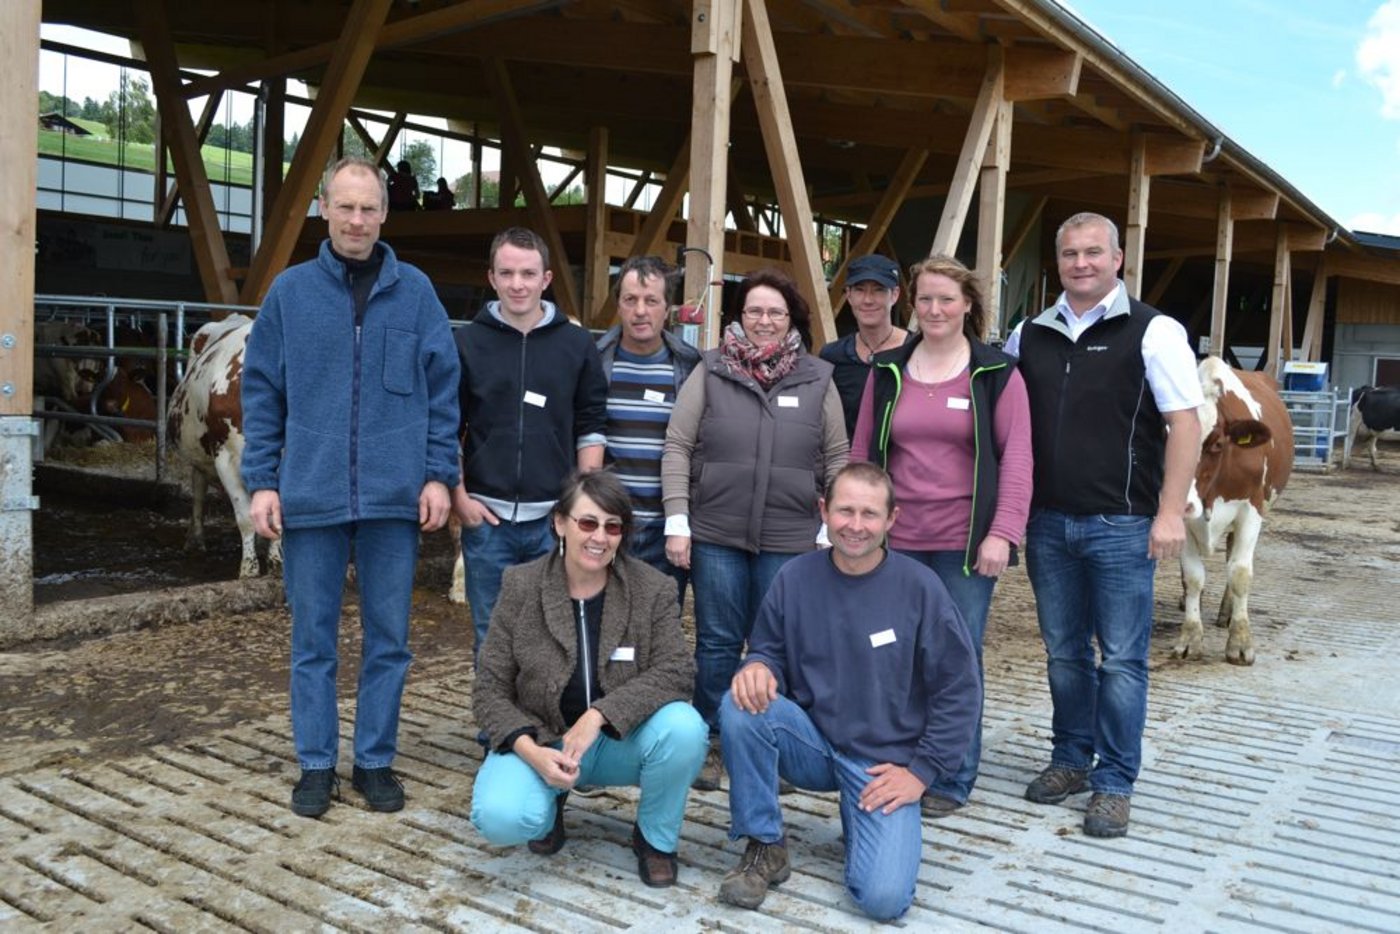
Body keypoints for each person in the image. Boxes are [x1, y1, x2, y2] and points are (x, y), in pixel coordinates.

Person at [241, 156, 461, 818]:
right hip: (310, 494)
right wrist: (262, 483)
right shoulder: (290, 293)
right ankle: (315, 763)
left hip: (394, 499)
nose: (357, 219)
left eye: (369, 208)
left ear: (384, 214)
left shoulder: (416, 293)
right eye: (345, 206)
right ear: (324, 208)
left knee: (389, 638)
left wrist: (437, 475)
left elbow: (444, 392)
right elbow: (262, 392)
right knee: (313, 639)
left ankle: (373, 761)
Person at [1004, 211, 1202, 838]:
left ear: (1119, 259)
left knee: (1120, 660)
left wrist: (1170, 512)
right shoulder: (1027, 334)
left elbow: (1186, 425)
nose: (1081, 263)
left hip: (1122, 524)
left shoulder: (1153, 331)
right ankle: (1070, 759)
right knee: (1065, 654)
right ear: (1056, 263)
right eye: (1069, 254)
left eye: (1094, 252)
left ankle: (1115, 780)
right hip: (1049, 523)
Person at [716, 463, 980, 920]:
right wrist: (756, 665)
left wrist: (921, 773)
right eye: (844, 511)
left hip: (884, 767)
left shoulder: (921, 588)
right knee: (740, 706)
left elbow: (960, 690)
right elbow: (768, 649)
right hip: (814, 745)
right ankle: (765, 845)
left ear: (892, 519)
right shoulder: (795, 578)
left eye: (869, 514)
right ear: (823, 510)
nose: (855, 526)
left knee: (883, 901)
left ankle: (860, 820)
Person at [850, 255, 1032, 817]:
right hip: (895, 541)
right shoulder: (888, 372)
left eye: (946, 299)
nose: (934, 309)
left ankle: (952, 774)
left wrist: (1002, 532)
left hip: (964, 542)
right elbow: (861, 455)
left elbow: (1019, 458)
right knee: (892, 652)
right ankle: (896, 762)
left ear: (968, 306)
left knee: (956, 658)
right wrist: (854, 526)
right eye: (925, 299)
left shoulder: (996, 373)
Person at [470, 470, 709, 887]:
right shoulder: (520, 585)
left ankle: (655, 839)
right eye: (587, 522)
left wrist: (600, 714)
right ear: (560, 523)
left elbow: (676, 671)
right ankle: (549, 804)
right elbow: (488, 688)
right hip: (544, 741)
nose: (600, 537)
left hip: (619, 741)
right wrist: (531, 752)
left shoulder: (652, 588)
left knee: (686, 729)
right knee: (500, 820)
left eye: (612, 526)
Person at [661, 268, 848, 792]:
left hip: (790, 537)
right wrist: (679, 518)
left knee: (778, 644)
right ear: (738, 317)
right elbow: (677, 444)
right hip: (717, 532)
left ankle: (775, 742)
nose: (763, 321)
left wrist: (829, 525)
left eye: (775, 312)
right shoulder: (712, 369)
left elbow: (836, 456)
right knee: (717, 642)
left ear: (791, 319)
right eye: (753, 311)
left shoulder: (817, 376)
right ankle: (715, 741)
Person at [451, 227, 608, 660]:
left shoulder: (576, 345)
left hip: (552, 520)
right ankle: (498, 730)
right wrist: (460, 499)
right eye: (507, 273)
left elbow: (591, 424)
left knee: (554, 632)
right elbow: (448, 427)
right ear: (492, 277)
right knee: (493, 634)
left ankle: (545, 725)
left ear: (547, 278)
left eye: (527, 273)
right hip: (487, 519)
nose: (517, 283)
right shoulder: (466, 344)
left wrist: (580, 504)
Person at [594, 255, 701, 603]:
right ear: (619, 305)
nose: (640, 311)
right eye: (630, 300)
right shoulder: (594, 363)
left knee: (659, 630)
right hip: (608, 527)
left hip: (664, 528)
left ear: (667, 307)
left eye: (651, 300)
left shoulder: (691, 367)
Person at [819, 254, 914, 440]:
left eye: (878, 290)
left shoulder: (917, 352)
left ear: (894, 295)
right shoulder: (832, 356)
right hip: (848, 465)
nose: (868, 300)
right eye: (860, 290)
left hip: (902, 466)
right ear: (848, 295)